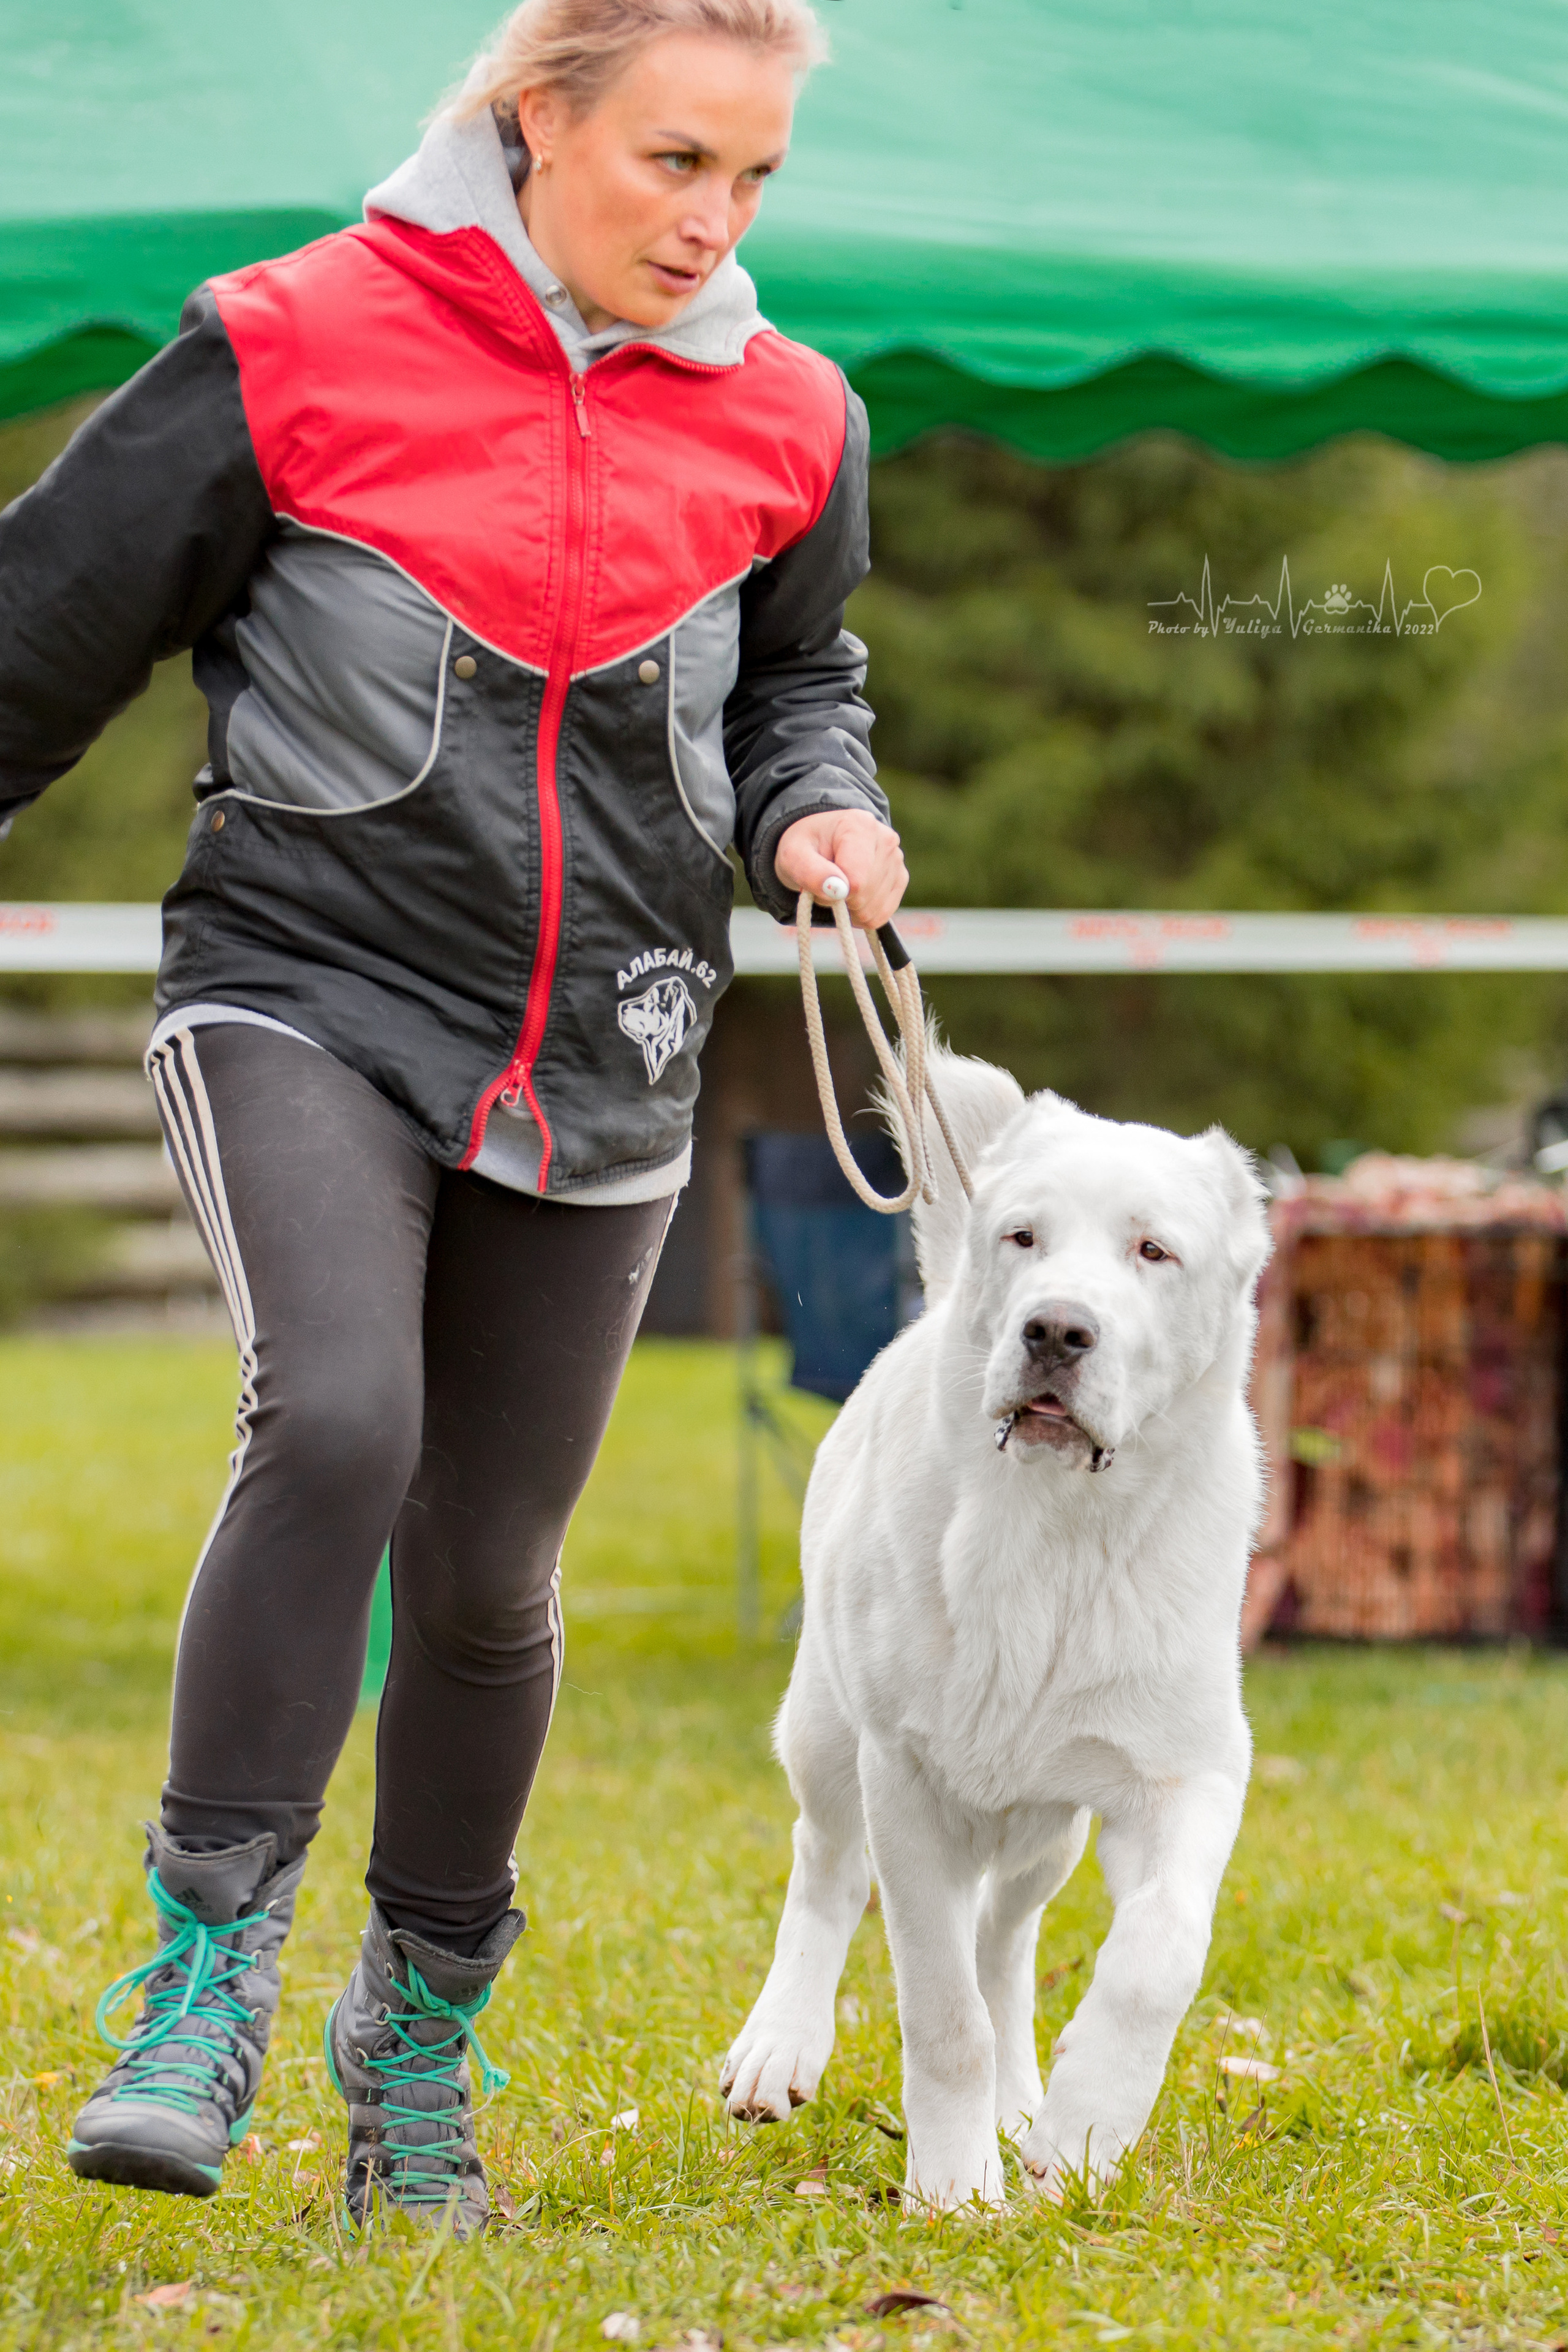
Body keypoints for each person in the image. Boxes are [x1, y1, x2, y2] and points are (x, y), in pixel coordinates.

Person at [0, 0, 907, 2234]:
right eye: (675, 161)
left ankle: (414, 2042)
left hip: (618, 1040)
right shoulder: (293, 345)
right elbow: (37, 639)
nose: (716, 221)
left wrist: (825, 812)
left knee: (492, 1574)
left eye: (756, 179)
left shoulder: (793, 417)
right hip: (303, 991)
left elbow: (804, 680)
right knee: (336, 1423)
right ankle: (203, 1975)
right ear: (533, 121)